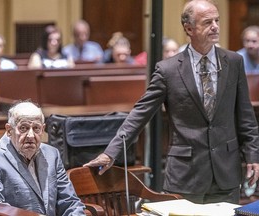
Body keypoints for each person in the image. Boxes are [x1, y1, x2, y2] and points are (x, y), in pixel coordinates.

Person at [84, 0, 259, 204]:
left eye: (217, 20)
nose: (215, 26)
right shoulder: (168, 70)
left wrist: (253, 155)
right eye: (208, 22)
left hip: (226, 171)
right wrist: (111, 153)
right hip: (186, 174)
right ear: (189, 28)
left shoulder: (234, 62)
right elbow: (140, 114)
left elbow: (245, 115)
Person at [0, 100, 86, 215]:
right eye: (23, 128)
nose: (31, 136)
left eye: (36, 128)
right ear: (9, 130)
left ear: (43, 129)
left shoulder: (52, 154)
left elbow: (70, 202)